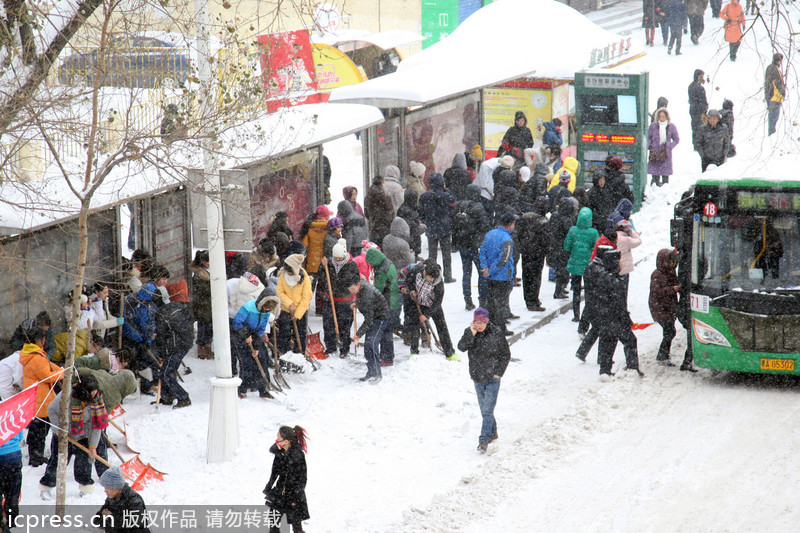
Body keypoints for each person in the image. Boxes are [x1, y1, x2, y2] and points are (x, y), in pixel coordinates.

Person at [39, 374, 109, 497]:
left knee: (84, 464)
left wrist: (93, 446)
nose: (94, 396)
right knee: (57, 462)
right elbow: (51, 410)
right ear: (83, 392)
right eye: (91, 394)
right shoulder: (67, 395)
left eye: (95, 393)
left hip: (84, 436)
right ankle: (46, 487)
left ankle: (85, 488)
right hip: (64, 435)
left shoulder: (97, 399)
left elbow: (98, 426)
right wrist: (58, 428)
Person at [457, 307, 510, 454]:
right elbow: (461, 347)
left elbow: (505, 355)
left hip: (492, 378)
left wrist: (498, 373)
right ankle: (493, 431)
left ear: (487, 322)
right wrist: (470, 334)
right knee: (484, 409)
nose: (479, 325)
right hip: (477, 377)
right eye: (476, 322)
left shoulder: (497, 333)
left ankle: (483, 440)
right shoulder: (471, 333)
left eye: (482, 322)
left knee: (487, 411)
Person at [583, 248, 642, 379]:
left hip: (603, 317)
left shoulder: (601, 277)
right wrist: (627, 321)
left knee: (607, 343)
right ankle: (632, 369)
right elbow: (620, 305)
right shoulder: (615, 281)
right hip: (615, 319)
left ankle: (604, 371)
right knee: (630, 341)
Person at [20, 327, 63, 467]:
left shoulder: (35, 355)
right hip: (40, 399)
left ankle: (36, 454)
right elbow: (49, 376)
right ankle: (36, 457)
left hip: (39, 399)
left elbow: (50, 366)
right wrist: (62, 373)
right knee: (39, 431)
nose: (44, 342)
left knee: (38, 431)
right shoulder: (36, 358)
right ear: (39, 340)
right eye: (43, 339)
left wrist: (59, 369)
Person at [232, 289, 280, 399]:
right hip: (239, 335)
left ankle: (263, 389)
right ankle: (242, 389)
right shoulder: (249, 307)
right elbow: (236, 322)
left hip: (254, 335)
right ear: (262, 303)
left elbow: (261, 330)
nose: (266, 310)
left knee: (262, 360)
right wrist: (246, 334)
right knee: (246, 363)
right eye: (266, 307)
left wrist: (257, 347)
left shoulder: (266, 313)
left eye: (269, 309)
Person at [401, 261, 455, 359]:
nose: (430, 280)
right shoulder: (417, 270)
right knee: (414, 325)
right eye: (428, 277)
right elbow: (409, 280)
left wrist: (426, 315)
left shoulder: (439, 283)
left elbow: (438, 302)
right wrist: (412, 290)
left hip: (432, 305)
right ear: (425, 272)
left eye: (432, 278)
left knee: (441, 326)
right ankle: (414, 351)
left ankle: (449, 352)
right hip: (418, 302)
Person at [154, 280, 195, 408]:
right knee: (168, 370)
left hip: (176, 346)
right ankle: (167, 396)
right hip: (185, 342)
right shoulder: (177, 306)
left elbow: (161, 336)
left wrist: (161, 353)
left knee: (166, 373)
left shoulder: (162, 313)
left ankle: (183, 397)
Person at [452, 183, 492, 310]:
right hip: (475, 245)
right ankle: (483, 299)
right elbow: (485, 225)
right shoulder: (478, 206)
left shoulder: (458, 206)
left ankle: (467, 300)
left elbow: (453, 224)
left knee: (466, 272)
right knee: (482, 272)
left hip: (463, 244)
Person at [264, 426, 310, 533]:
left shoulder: (297, 456)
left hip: (293, 495)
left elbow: (302, 479)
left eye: (278, 439)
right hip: (280, 494)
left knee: (296, 527)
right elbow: (274, 472)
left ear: (286, 441)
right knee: (273, 523)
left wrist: (296, 497)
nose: (276, 441)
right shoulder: (280, 453)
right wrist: (269, 487)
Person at [347, 275, 391, 382]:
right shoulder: (362, 288)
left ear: (358, 284)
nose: (352, 292)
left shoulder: (367, 294)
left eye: (353, 289)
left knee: (371, 343)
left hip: (380, 317)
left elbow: (369, 320)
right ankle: (371, 371)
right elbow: (363, 299)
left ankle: (376, 373)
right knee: (368, 345)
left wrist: (358, 334)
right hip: (374, 316)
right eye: (350, 290)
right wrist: (357, 303)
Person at [319, 239, 358, 358]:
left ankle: (344, 348)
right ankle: (330, 346)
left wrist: (343, 284)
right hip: (330, 299)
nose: (337, 260)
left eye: (340, 258)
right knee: (328, 324)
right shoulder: (329, 263)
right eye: (336, 258)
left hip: (346, 301)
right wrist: (323, 267)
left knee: (345, 325)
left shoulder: (351, 265)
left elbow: (355, 281)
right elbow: (322, 276)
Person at [480, 213, 517, 337]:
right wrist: (492, 270)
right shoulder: (507, 239)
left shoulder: (490, 234)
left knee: (490, 301)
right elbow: (504, 259)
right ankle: (500, 328)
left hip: (489, 276)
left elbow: (483, 251)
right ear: (510, 224)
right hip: (502, 275)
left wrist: (485, 267)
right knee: (501, 303)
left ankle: (489, 326)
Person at [564, 207, 600, 332]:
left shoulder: (573, 230)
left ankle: (576, 315)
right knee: (589, 291)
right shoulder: (593, 232)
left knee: (576, 290)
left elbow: (566, 246)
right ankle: (588, 314)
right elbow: (596, 248)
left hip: (575, 264)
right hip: (588, 266)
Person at [418, 172, 457, 283]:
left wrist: (426, 221)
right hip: (445, 228)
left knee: (432, 255)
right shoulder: (447, 196)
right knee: (446, 254)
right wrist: (447, 190)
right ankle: (448, 276)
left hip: (431, 227)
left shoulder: (425, 197)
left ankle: (431, 275)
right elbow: (454, 204)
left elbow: (421, 212)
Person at [365, 247, 401, 360]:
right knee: (388, 329)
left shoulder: (381, 270)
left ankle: (387, 356)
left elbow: (377, 290)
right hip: (395, 300)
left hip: (387, 303)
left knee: (385, 331)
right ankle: (387, 354)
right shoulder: (388, 262)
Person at [649, 248, 684, 366]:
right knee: (669, 331)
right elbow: (656, 292)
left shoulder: (670, 272)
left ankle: (663, 355)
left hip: (668, 307)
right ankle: (662, 356)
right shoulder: (657, 275)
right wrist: (673, 289)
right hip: (660, 308)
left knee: (669, 331)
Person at [276, 254, 312, 357]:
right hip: (286, 310)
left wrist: (298, 314)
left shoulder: (304, 278)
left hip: (301, 311)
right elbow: (280, 292)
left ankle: (299, 355)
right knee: (284, 334)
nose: (288, 273)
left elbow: (306, 298)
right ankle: (284, 355)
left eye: (290, 271)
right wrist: (289, 303)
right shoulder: (282, 276)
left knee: (300, 336)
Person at [517, 197, 549, 312]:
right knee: (535, 277)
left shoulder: (524, 217)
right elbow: (545, 241)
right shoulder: (543, 222)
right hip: (537, 254)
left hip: (526, 252)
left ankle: (528, 299)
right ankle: (533, 300)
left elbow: (518, 234)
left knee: (526, 276)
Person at [96, 467, 151, 533]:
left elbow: (136, 522)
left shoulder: (134, 499)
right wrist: (104, 517)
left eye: (107, 487)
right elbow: (97, 520)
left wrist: (110, 518)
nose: (105, 491)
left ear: (115, 487)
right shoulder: (111, 498)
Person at [300, 205, 332, 315]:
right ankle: (320, 308)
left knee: (309, 286)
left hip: (312, 261)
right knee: (323, 286)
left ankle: (304, 308)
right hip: (324, 261)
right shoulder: (328, 227)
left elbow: (305, 244)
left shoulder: (309, 226)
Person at [549, 197, 576, 300]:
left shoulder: (555, 216)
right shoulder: (566, 220)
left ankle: (560, 289)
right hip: (563, 248)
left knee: (560, 269)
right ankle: (559, 290)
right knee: (563, 270)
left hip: (555, 246)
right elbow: (570, 233)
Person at [190, 250, 213, 360]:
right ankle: (202, 349)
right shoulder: (200, 275)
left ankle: (206, 347)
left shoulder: (205, 272)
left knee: (207, 327)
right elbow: (205, 291)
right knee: (204, 327)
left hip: (206, 304)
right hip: (203, 305)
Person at [648, 108, 680, 186]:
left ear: (667, 117)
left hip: (666, 153)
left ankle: (665, 191)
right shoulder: (653, 126)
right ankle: (655, 189)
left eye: (663, 117)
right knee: (655, 175)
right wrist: (650, 146)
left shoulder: (671, 126)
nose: (661, 119)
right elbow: (649, 137)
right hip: (655, 153)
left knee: (665, 175)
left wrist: (670, 146)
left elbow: (676, 139)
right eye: (660, 117)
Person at [0, 429, 22, 529]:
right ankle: (12, 519)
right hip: (14, 456)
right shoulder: (12, 415)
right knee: (13, 492)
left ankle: (1, 523)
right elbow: (20, 436)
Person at [364, 175, 394, 247]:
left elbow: (366, 213)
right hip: (384, 229)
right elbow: (390, 213)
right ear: (382, 184)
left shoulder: (368, 197)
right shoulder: (385, 197)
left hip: (373, 227)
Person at [396, 189, 424, 258]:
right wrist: (423, 227)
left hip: (407, 241)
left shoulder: (403, 208)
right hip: (411, 243)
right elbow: (413, 229)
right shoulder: (410, 211)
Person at [764, 52, 785, 136]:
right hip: (774, 97)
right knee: (774, 117)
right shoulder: (774, 69)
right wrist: (782, 93)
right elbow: (777, 83)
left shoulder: (771, 68)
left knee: (773, 117)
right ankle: (772, 134)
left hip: (771, 96)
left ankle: (771, 133)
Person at [688, 69, 708, 151]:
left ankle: (695, 144)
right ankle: (699, 144)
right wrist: (704, 109)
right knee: (700, 128)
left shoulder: (690, 86)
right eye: (702, 77)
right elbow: (702, 101)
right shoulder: (699, 88)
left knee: (695, 127)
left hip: (693, 110)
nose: (703, 79)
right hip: (699, 112)